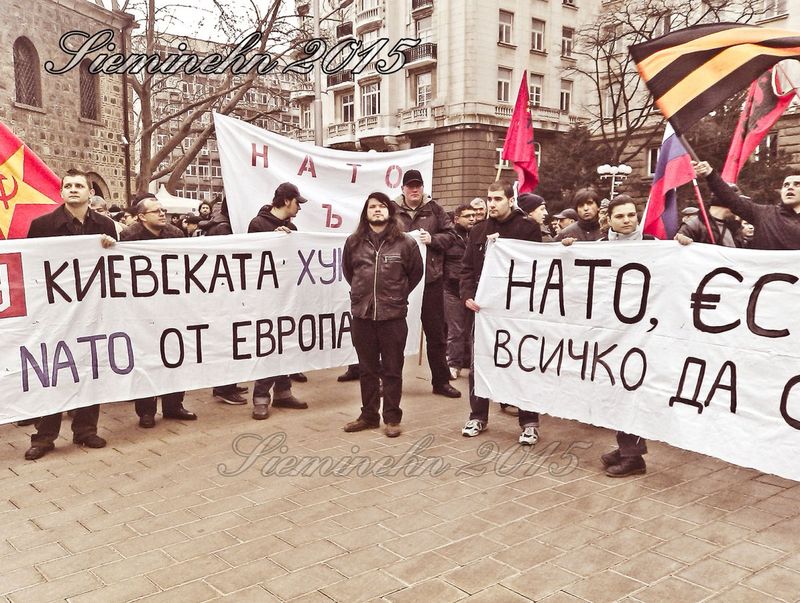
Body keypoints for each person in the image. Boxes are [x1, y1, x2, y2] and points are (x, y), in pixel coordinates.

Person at [23, 169, 118, 460]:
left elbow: (114, 265)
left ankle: (86, 430)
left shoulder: (105, 225)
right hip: (55, 312)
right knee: (53, 372)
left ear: (91, 193)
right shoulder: (42, 226)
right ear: (61, 192)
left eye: (79, 185)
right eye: (68, 186)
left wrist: (111, 246)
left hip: (92, 310)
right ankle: (44, 436)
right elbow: (31, 267)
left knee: (90, 368)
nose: (73, 189)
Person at [460, 180, 543, 445]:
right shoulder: (478, 230)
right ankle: (477, 416)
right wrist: (467, 295)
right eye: (489, 199)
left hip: (516, 309)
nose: (492, 204)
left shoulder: (528, 228)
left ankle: (529, 422)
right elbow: (466, 269)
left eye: (497, 199)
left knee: (522, 362)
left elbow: (538, 266)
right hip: (484, 310)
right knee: (479, 362)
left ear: (511, 200)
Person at [342, 193, 424, 438]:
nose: (377, 210)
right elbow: (349, 272)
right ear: (365, 213)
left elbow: (416, 274)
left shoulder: (406, 243)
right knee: (366, 370)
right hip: (363, 316)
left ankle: (392, 418)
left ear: (390, 211)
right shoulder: (353, 242)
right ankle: (368, 416)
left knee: (392, 370)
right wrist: (364, 295)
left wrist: (396, 295)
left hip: (393, 317)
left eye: (381, 206)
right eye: (372, 207)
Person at [120, 194, 198, 428]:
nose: (162, 214)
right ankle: (146, 410)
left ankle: (174, 405)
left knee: (175, 354)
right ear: (142, 217)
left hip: (171, 305)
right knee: (146, 357)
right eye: (156, 211)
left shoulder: (175, 234)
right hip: (142, 308)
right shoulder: (129, 236)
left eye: (163, 210)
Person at [391, 169, 460, 398]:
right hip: (400, 283)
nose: (414, 190)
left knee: (436, 335)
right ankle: (390, 382)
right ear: (402, 189)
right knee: (394, 336)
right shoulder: (392, 209)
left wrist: (433, 239)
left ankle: (441, 381)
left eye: (418, 186)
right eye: (410, 186)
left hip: (431, 281)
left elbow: (452, 235)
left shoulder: (435, 209)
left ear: (422, 188)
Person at [597, 195, 652, 476]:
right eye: (620, 216)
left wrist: (684, 246)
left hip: (642, 331)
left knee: (632, 390)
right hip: (612, 331)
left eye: (632, 215)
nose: (627, 220)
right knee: (615, 390)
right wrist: (568, 249)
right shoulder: (599, 247)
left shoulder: (654, 245)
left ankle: (634, 457)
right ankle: (626, 446)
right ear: (609, 220)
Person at [247, 182, 309, 419]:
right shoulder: (258, 224)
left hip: (286, 295)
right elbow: (252, 258)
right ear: (285, 201)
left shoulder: (291, 227)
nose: (299, 208)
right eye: (297, 203)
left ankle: (283, 392)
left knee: (285, 343)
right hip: (266, 297)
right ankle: (261, 397)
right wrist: (271, 240)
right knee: (270, 345)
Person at [202, 198, 248, 405]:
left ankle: (227, 384)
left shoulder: (220, 224)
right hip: (224, 292)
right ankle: (224, 387)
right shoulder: (223, 228)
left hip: (221, 291)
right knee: (228, 340)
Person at [693, 161, 800, 249]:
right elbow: (731, 199)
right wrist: (710, 175)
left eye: (797, 184)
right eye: (786, 185)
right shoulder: (764, 214)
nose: (790, 187)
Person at [443, 203, 476, 379]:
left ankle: (470, 362)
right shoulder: (449, 237)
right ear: (457, 219)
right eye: (467, 216)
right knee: (456, 330)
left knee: (472, 330)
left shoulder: (476, 236)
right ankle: (453, 364)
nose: (472, 218)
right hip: (452, 289)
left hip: (470, 290)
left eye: (473, 215)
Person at [675, 188, 744, 248]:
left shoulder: (734, 227)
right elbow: (677, 251)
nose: (741, 208)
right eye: (738, 203)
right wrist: (681, 240)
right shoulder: (693, 226)